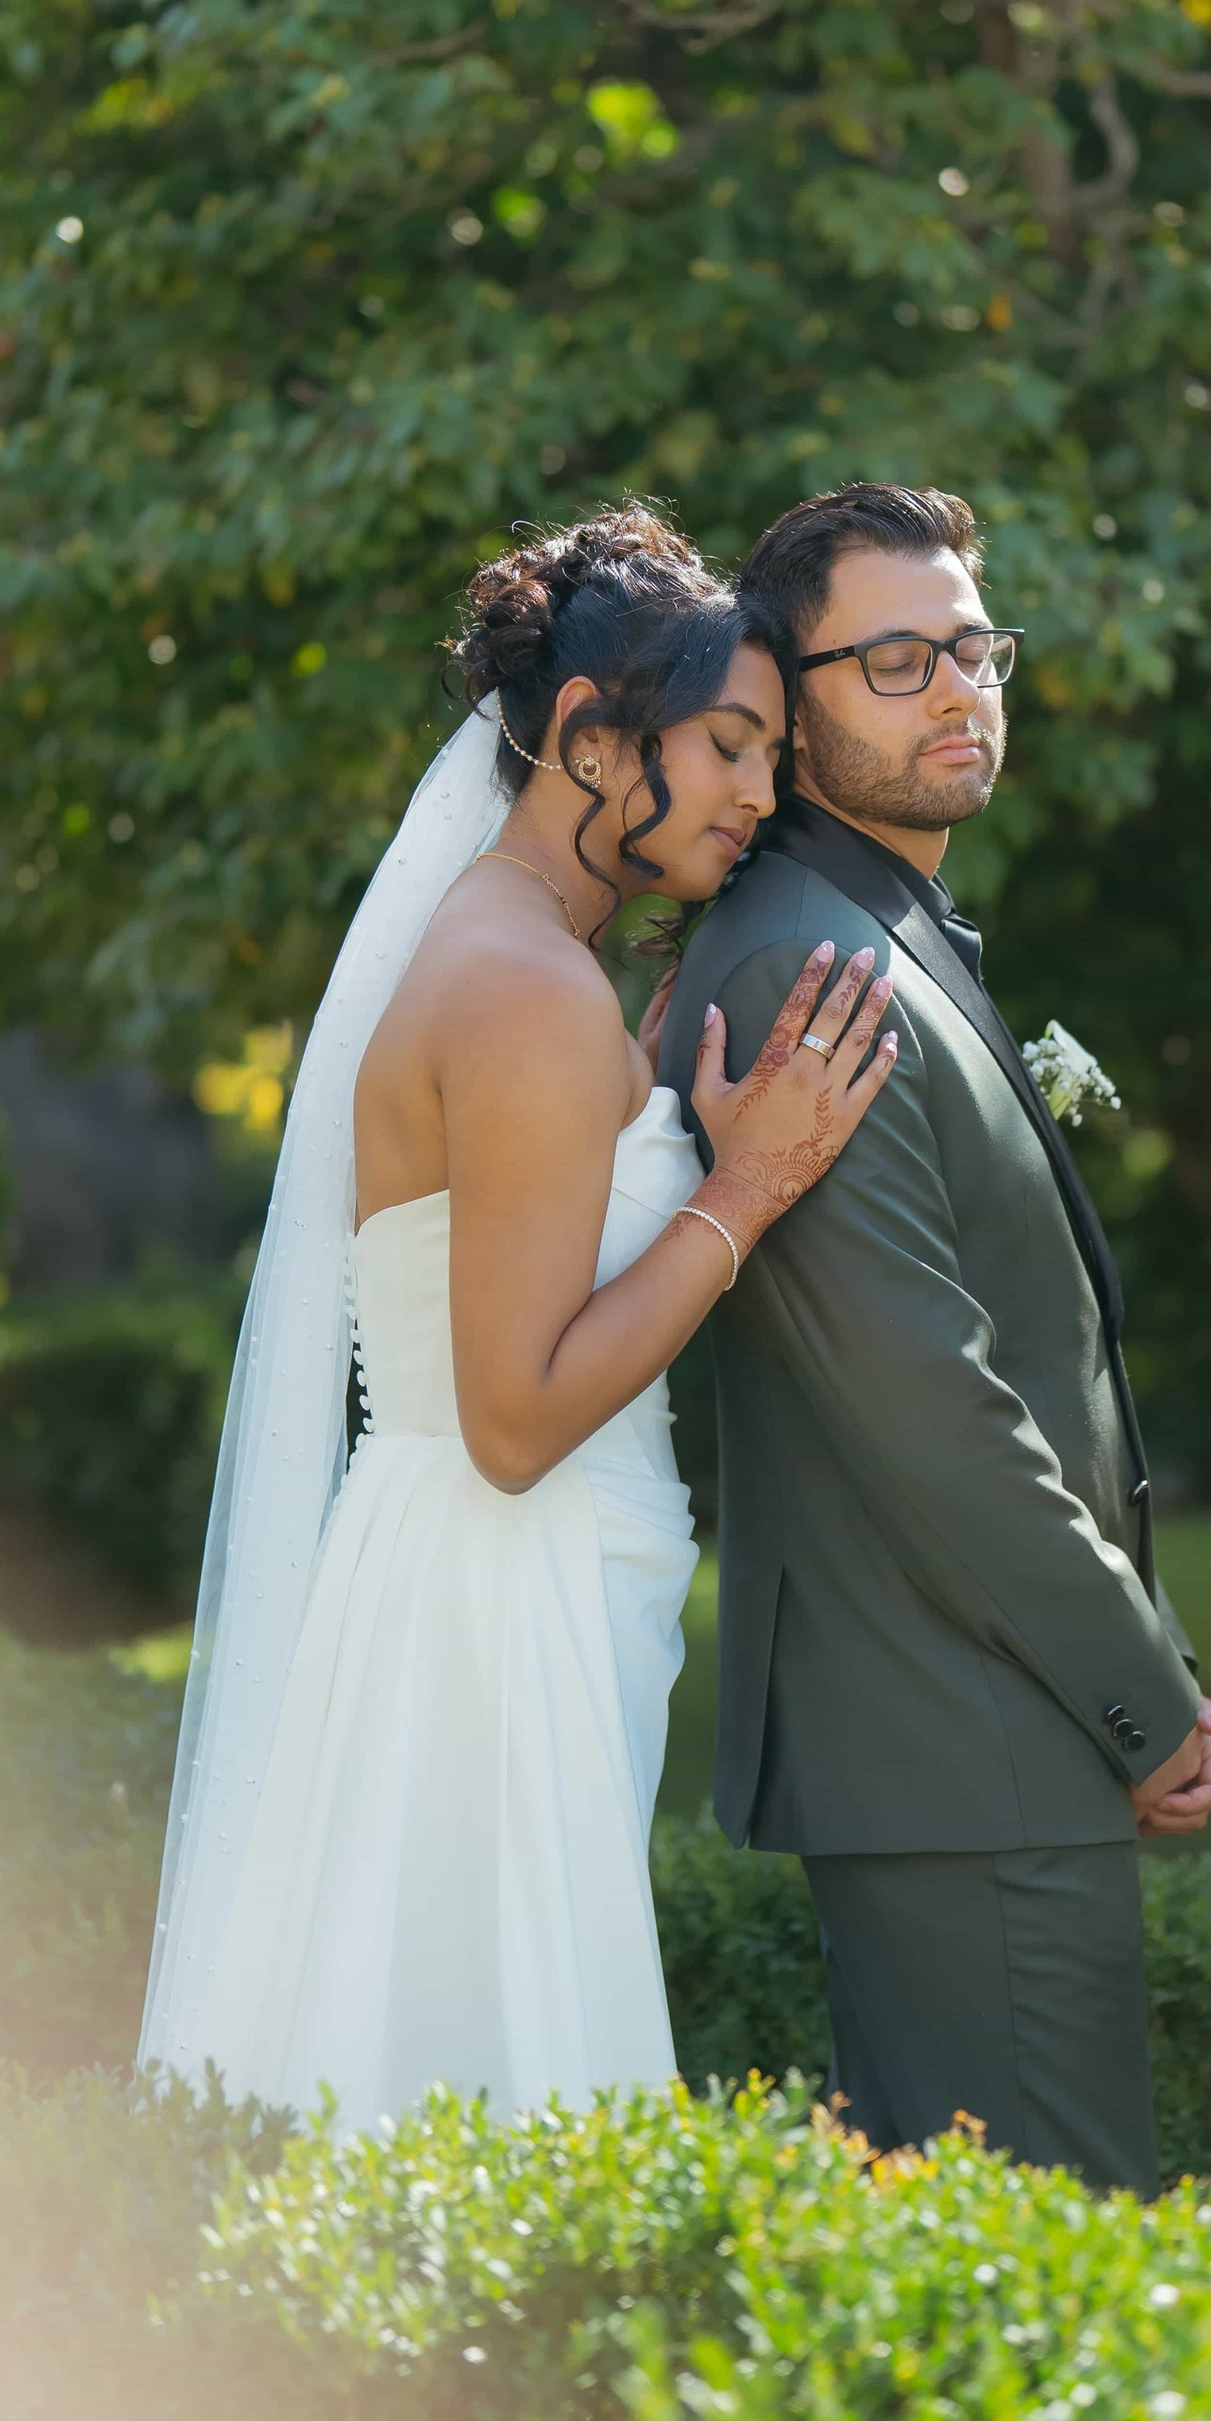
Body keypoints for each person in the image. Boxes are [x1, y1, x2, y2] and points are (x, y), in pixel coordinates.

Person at [138, 505, 897, 2128]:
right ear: (582, 738)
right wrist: (743, 1189)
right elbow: (516, 1418)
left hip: (491, 1580)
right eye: (727, 745)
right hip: (496, 1597)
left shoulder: (524, 961)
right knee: (491, 2084)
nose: (763, 792)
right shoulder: (530, 992)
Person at [654, 481, 1211, 2189]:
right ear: (793, 696)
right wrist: (1147, 1690)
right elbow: (929, 1406)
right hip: (950, 1739)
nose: (961, 688)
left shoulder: (878, 934)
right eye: (895, 660)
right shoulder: (801, 975)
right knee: (1051, 2271)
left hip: (989, 1725)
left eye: (974, 646)